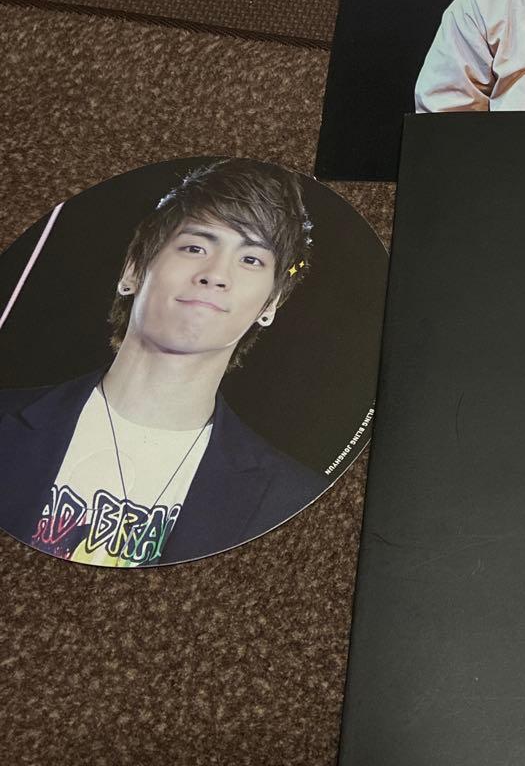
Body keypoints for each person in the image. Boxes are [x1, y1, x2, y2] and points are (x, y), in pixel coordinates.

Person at [0, 159, 324, 568]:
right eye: (195, 247)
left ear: (270, 304)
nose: (215, 274)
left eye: (251, 260)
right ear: (134, 270)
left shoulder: (292, 498)